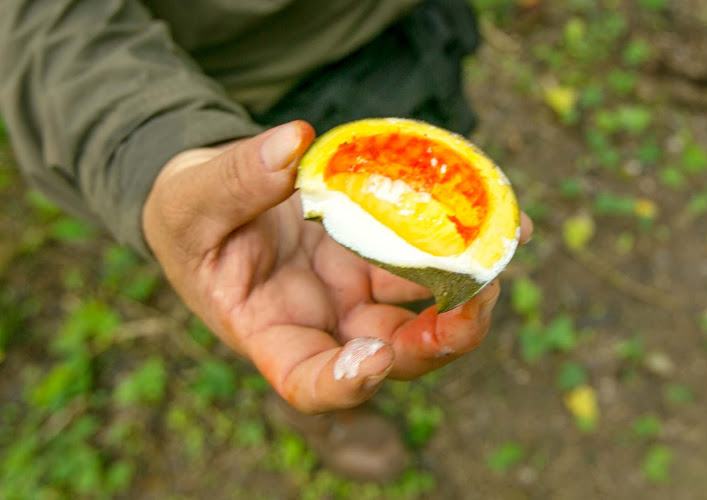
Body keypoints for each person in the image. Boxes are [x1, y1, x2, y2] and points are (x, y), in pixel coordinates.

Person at [0, 0, 532, 481]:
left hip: (400, 34)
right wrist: (160, 146)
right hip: (227, 90)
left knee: (405, 225)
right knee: (292, 286)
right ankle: (330, 396)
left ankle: (387, 318)